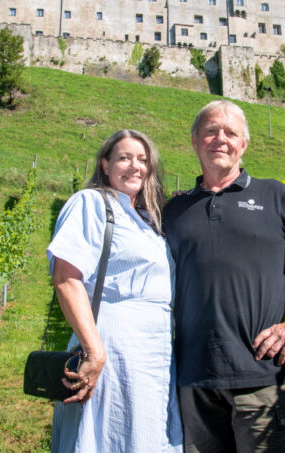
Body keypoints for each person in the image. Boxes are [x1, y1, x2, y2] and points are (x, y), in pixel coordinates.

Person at [163, 100, 285, 452]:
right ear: (194, 140)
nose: (220, 139)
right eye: (211, 131)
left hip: (261, 378)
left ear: (243, 144)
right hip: (192, 380)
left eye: (230, 132)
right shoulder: (174, 210)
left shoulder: (274, 195)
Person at [47, 129, 183, 453]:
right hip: (114, 346)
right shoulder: (92, 203)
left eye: (142, 159)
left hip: (156, 353)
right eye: (124, 157)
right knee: (109, 437)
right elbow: (67, 278)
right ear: (105, 165)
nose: (134, 166)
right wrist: (95, 352)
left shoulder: (148, 220)